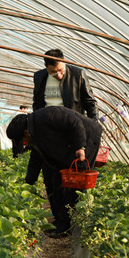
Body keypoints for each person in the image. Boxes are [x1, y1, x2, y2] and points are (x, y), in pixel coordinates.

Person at [7, 106, 103, 238]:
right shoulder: (35, 133)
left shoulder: (48, 115)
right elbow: (36, 157)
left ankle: (70, 223)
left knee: (75, 183)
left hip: (88, 137)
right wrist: (29, 182)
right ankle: (60, 224)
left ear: (25, 132)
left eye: (22, 140)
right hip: (69, 148)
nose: (24, 143)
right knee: (57, 182)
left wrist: (80, 147)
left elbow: (75, 122)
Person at [27, 49, 100, 192]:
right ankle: (57, 211)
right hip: (49, 135)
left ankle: (73, 208)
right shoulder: (39, 77)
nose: (58, 75)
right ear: (46, 67)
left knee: (74, 175)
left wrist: (93, 128)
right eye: (53, 72)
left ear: (64, 61)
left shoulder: (78, 74)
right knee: (50, 175)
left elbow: (90, 103)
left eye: (61, 70)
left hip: (72, 131)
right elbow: (37, 103)